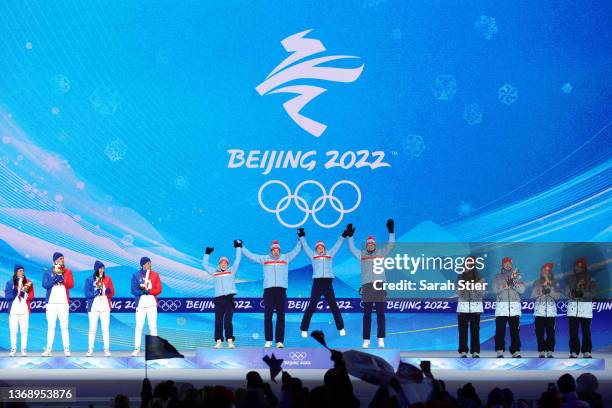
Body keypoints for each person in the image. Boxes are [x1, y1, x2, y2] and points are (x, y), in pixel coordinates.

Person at [241, 235, 301, 348]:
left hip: (281, 290)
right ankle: (268, 340)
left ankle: (279, 341)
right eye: (274, 250)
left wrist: (299, 239)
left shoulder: (286, 258)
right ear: (271, 251)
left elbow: (296, 251)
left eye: (277, 250)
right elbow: (251, 256)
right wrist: (242, 247)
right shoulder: (265, 259)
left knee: (281, 316)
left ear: (280, 250)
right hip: (268, 291)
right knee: (267, 316)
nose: (276, 252)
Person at [347, 219, 395, 348]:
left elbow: (391, 245)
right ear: (366, 246)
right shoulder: (362, 255)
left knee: (380, 314)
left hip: (379, 286)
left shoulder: (381, 253)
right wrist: (350, 237)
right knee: (367, 315)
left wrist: (391, 232)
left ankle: (381, 339)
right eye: (368, 244)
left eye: (372, 244)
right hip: (367, 286)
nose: (370, 246)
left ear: (375, 245)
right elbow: (352, 249)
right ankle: (366, 340)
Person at [298, 227, 346, 338]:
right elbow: (305, 247)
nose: (320, 249)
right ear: (316, 249)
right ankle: (304, 329)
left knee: (334, 306)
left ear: (324, 248)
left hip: (328, 283)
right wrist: (301, 237)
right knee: (312, 306)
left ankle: (341, 328)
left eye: (321, 247)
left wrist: (343, 235)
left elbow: (337, 245)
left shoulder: (330, 254)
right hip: (318, 283)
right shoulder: (313, 255)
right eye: (318, 247)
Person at [202, 241, 242, 348]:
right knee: (218, 322)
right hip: (219, 300)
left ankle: (230, 340)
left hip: (229, 300)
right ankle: (218, 341)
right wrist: (207, 254)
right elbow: (204, 265)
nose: (223, 264)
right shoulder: (215, 272)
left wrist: (238, 247)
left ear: (227, 264)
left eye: (225, 263)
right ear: (219, 264)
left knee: (228, 321)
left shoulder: (232, 271)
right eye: (221, 263)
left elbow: (237, 261)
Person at [42, 252, 74, 357]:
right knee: (51, 327)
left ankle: (67, 349)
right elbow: (45, 285)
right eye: (60, 259)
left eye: (63, 259)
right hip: (51, 303)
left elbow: (71, 284)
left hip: (63, 303)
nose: (62, 260)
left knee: (64, 327)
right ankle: (48, 349)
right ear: (55, 260)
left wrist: (63, 279)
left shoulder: (68, 272)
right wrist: (54, 280)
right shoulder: (48, 272)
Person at [493, 257, 525, 358]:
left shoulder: (518, 277)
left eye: (509, 263)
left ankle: (515, 350)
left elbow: (522, 290)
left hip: (514, 307)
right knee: (500, 330)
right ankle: (500, 350)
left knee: (515, 331)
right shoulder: (497, 277)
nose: (508, 265)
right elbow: (494, 290)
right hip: (502, 307)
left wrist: (514, 284)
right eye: (506, 263)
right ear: (503, 265)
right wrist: (506, 285)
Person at [130, 256, 162, 356]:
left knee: (153, 326)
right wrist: (142, 291)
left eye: (150, 263)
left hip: (152, 304)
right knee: (139, 327)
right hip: (140, 304)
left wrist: (150, 291)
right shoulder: (136, 275)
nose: (150, 265)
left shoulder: (155, 275)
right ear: (143, 264)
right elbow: (133, 290)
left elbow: (159, 289)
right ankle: (136, 348)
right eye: (148, 263)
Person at [566, 258, 596, 358]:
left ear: (584, 267)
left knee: (586, 332)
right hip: (573, 309)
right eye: (577, 266)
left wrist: (582, 293)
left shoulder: (590, 279)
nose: (578, 268)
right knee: (573, 332)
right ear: (574, 267)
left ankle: (586, 351)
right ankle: (574, 351)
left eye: (580, 266)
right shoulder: (570, 278)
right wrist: (575, 289)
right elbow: (567, 293)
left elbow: (593, 293)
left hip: (586, 309)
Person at [456, 256, 485, 358]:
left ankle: (475, 352)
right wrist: (472, 287)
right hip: (463, 307)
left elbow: (481, 293)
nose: (468, 264)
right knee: (463, 330)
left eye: (470, 263)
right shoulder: (460, 276)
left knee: (475, 330)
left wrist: (471, 287)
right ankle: (463, 351)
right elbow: (459, 292)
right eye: (467, 262)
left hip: (475, 307)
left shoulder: (480, 277)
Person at [84, 260, 115, 357]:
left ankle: (106, 349)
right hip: (93, 307)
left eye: (103, 268)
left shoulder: (108, 279)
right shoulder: (89, 280)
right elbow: (87, 294)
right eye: (100, 268)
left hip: (105, 307)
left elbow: (112, 293)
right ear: (96, 269)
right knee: (92, 329)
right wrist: (95, 292)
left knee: (105, 329)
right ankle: (90, 349)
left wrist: (109, 291)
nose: (102, 270)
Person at [531, 262, 561, 358]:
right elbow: (533, 296)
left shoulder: (555, 282)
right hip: (539, 311)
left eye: (547, 271)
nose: (545, 272)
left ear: (550, 272)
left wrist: (550, 290)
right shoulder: (536, 282)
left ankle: (550, 351)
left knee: (550, 333)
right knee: (539, 333)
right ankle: (541, 351)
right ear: (541, 272)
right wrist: (541, 292)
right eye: (544, 270)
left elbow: (557, 296)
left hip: (551, 312)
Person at [5, 265, 34, 356]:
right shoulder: (10, 283)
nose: (22, 272)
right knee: (13, 331)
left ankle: (23, 349)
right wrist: (14, 293)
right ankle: (13, 349)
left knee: (24, 331)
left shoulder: (28, 282)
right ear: (16, 272)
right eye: (20, 271)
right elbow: (7, 297)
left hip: (24, 311)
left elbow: (32, 296)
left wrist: (24, 295)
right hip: (13, 311)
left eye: (23, 271)